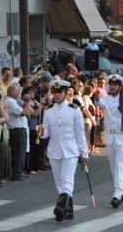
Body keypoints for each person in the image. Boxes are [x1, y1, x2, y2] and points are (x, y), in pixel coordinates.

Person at [37, 80, 88, 221]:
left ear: (66, 93)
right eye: (55, 92)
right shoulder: (49, 111)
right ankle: (68, 210)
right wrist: (41, 132)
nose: (57, 95)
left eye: (60, 92)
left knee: (66, 180)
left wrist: (84, 151)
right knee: (59, 182)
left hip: (71, 150)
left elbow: (80, 132)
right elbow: (47, 132)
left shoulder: (74, 109)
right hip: (54, 150)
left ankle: (60, 208)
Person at [95, 74, 123, 208]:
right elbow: (98, 103)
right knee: (113, 165)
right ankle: (121, 190)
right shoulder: (105, 99)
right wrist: (95, 94)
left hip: (121, 136)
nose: (113, 87)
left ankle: (117, 193)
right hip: (109, 136)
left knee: (119, 164)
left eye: (115, 85)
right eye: (111, 84)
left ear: (119, 86)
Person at [5, 83, 32, 181]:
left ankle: (19, 171)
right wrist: (28, 102)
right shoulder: (10, 102)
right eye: (18, 92)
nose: (20, 94)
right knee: (18, 152)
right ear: (13, 93)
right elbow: (23, 112)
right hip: (16, 129)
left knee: (21, 151)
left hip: (19, 128)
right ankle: (17, 173)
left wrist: (25, 103)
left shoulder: (14, 101)